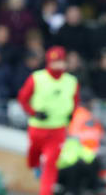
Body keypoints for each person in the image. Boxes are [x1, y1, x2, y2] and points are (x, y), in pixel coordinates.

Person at [18, 46, 80, 195]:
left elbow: (75, 101)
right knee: (33, 158)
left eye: (60, 62)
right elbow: (23, 98)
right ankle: (36, 168)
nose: (57, 66)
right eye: (54, 62)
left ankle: (46, 191)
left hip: (57, 129)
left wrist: (71, 114)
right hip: (37, 128)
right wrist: (34, 113)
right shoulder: (37, 78)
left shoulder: (71, 81)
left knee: (51, 163)